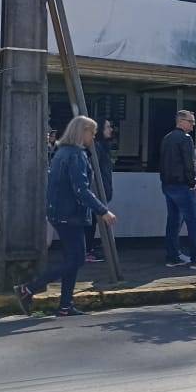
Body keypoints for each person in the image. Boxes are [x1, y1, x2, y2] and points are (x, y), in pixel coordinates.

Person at [14, 116, 117, 317]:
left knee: (71, 259)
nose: (93, 137)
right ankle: (29, 289)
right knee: (77, 259)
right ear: (83, 132)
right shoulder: (77, 155)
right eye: (92, 133)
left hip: (59, 212)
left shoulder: (61, 152)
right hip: (71, 214)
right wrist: (103, 211)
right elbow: (81, 190)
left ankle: (65, 305)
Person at [160, 110, 196, 267]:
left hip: (167, 185)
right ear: (181, 121)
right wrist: (193, 183)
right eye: (191, 122)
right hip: (183, 185)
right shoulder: (185, 139)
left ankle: (173, 255)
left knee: (172, 221)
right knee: (192, 221)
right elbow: (189, 163)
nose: (192, 126)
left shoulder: (167, 138)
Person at [84, 119, 114, 263]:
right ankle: (87, 250)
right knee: (92, 222)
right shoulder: (97, 148)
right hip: (97, 190)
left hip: (101, 189)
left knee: (94, 222)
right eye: (107, 127)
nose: (110, 130)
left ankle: (88, 249)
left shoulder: (101, 147)